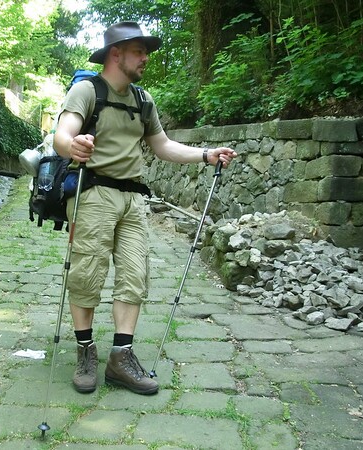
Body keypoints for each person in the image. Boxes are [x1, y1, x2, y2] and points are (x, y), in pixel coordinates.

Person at [53, 21, 237, 395]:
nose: (146, 58)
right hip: (93, 193)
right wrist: (72, 146)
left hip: (134, 198)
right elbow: (63, 132)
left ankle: (121, 358)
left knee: (135, 274)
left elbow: (163, 146)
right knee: (87, 271)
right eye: (139, 51)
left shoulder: (143, 100)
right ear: (116, 54)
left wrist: (205, 154)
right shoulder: (87, 91)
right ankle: (86, 350)